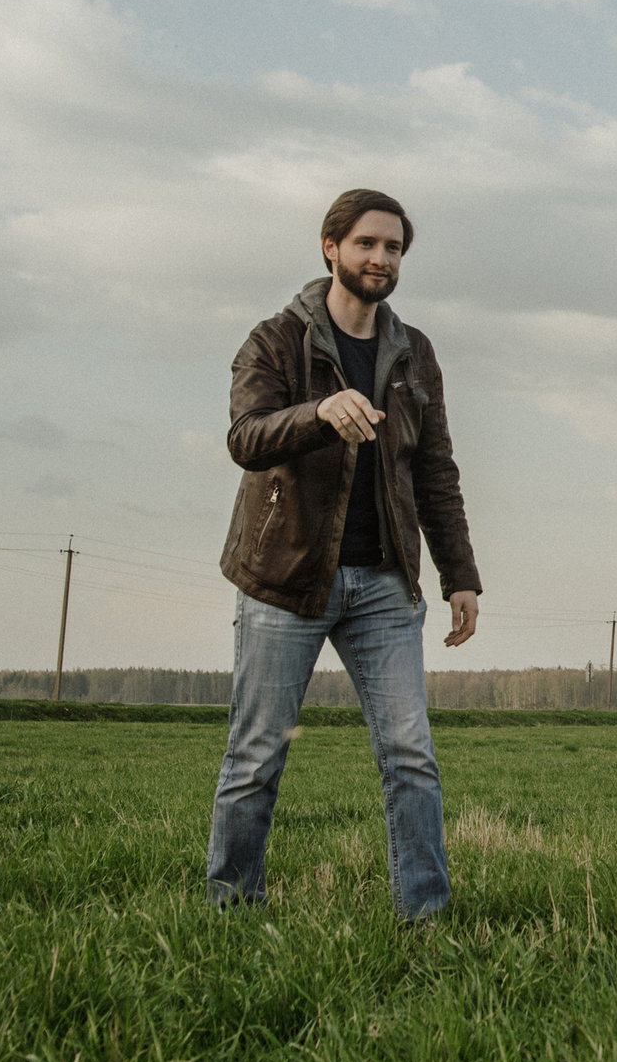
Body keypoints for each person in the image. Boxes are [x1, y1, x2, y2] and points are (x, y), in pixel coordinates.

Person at [206, 188, 483, 917]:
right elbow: (246, 436)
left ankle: (424, 917)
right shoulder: (275, 339)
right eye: (367, 243)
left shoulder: (413, 352)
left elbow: (435, 470)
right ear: (331, 248)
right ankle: (231, 908)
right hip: (285, 577)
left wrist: (460, 575)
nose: (381, 258)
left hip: (386, 584)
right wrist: (318, 414)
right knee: (256, 756)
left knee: (411, 757)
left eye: (393, 248)